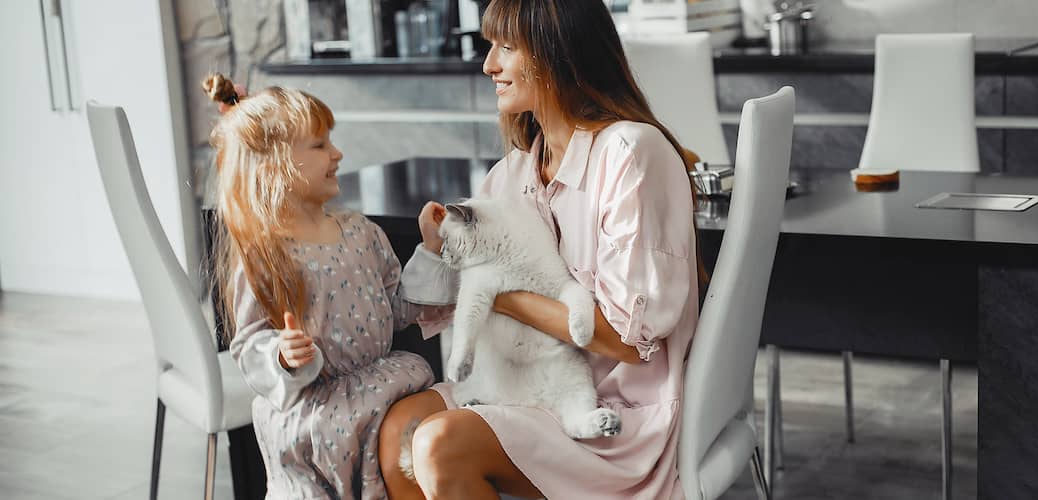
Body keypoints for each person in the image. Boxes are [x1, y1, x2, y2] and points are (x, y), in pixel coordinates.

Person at [377, 0, 706, 497]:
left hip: (615, 413)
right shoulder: (510, 175)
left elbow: (627, 341)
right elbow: (440, 310)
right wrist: (440, 252)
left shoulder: (629, 154)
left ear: (558, 54)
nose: (489, 65)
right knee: (398, 429)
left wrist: (491, 290)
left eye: (506, 48)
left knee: (440, 442)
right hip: (519, 386)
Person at [204, 73, 449, 499]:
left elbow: (397, 309)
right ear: (274, 163)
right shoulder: (267, 254)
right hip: (317, 410)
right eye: (319, 145)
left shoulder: (361, 232)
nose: (337, 153)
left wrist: (428, 250)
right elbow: (247, 345)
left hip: (381, 382)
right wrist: (281, 356)